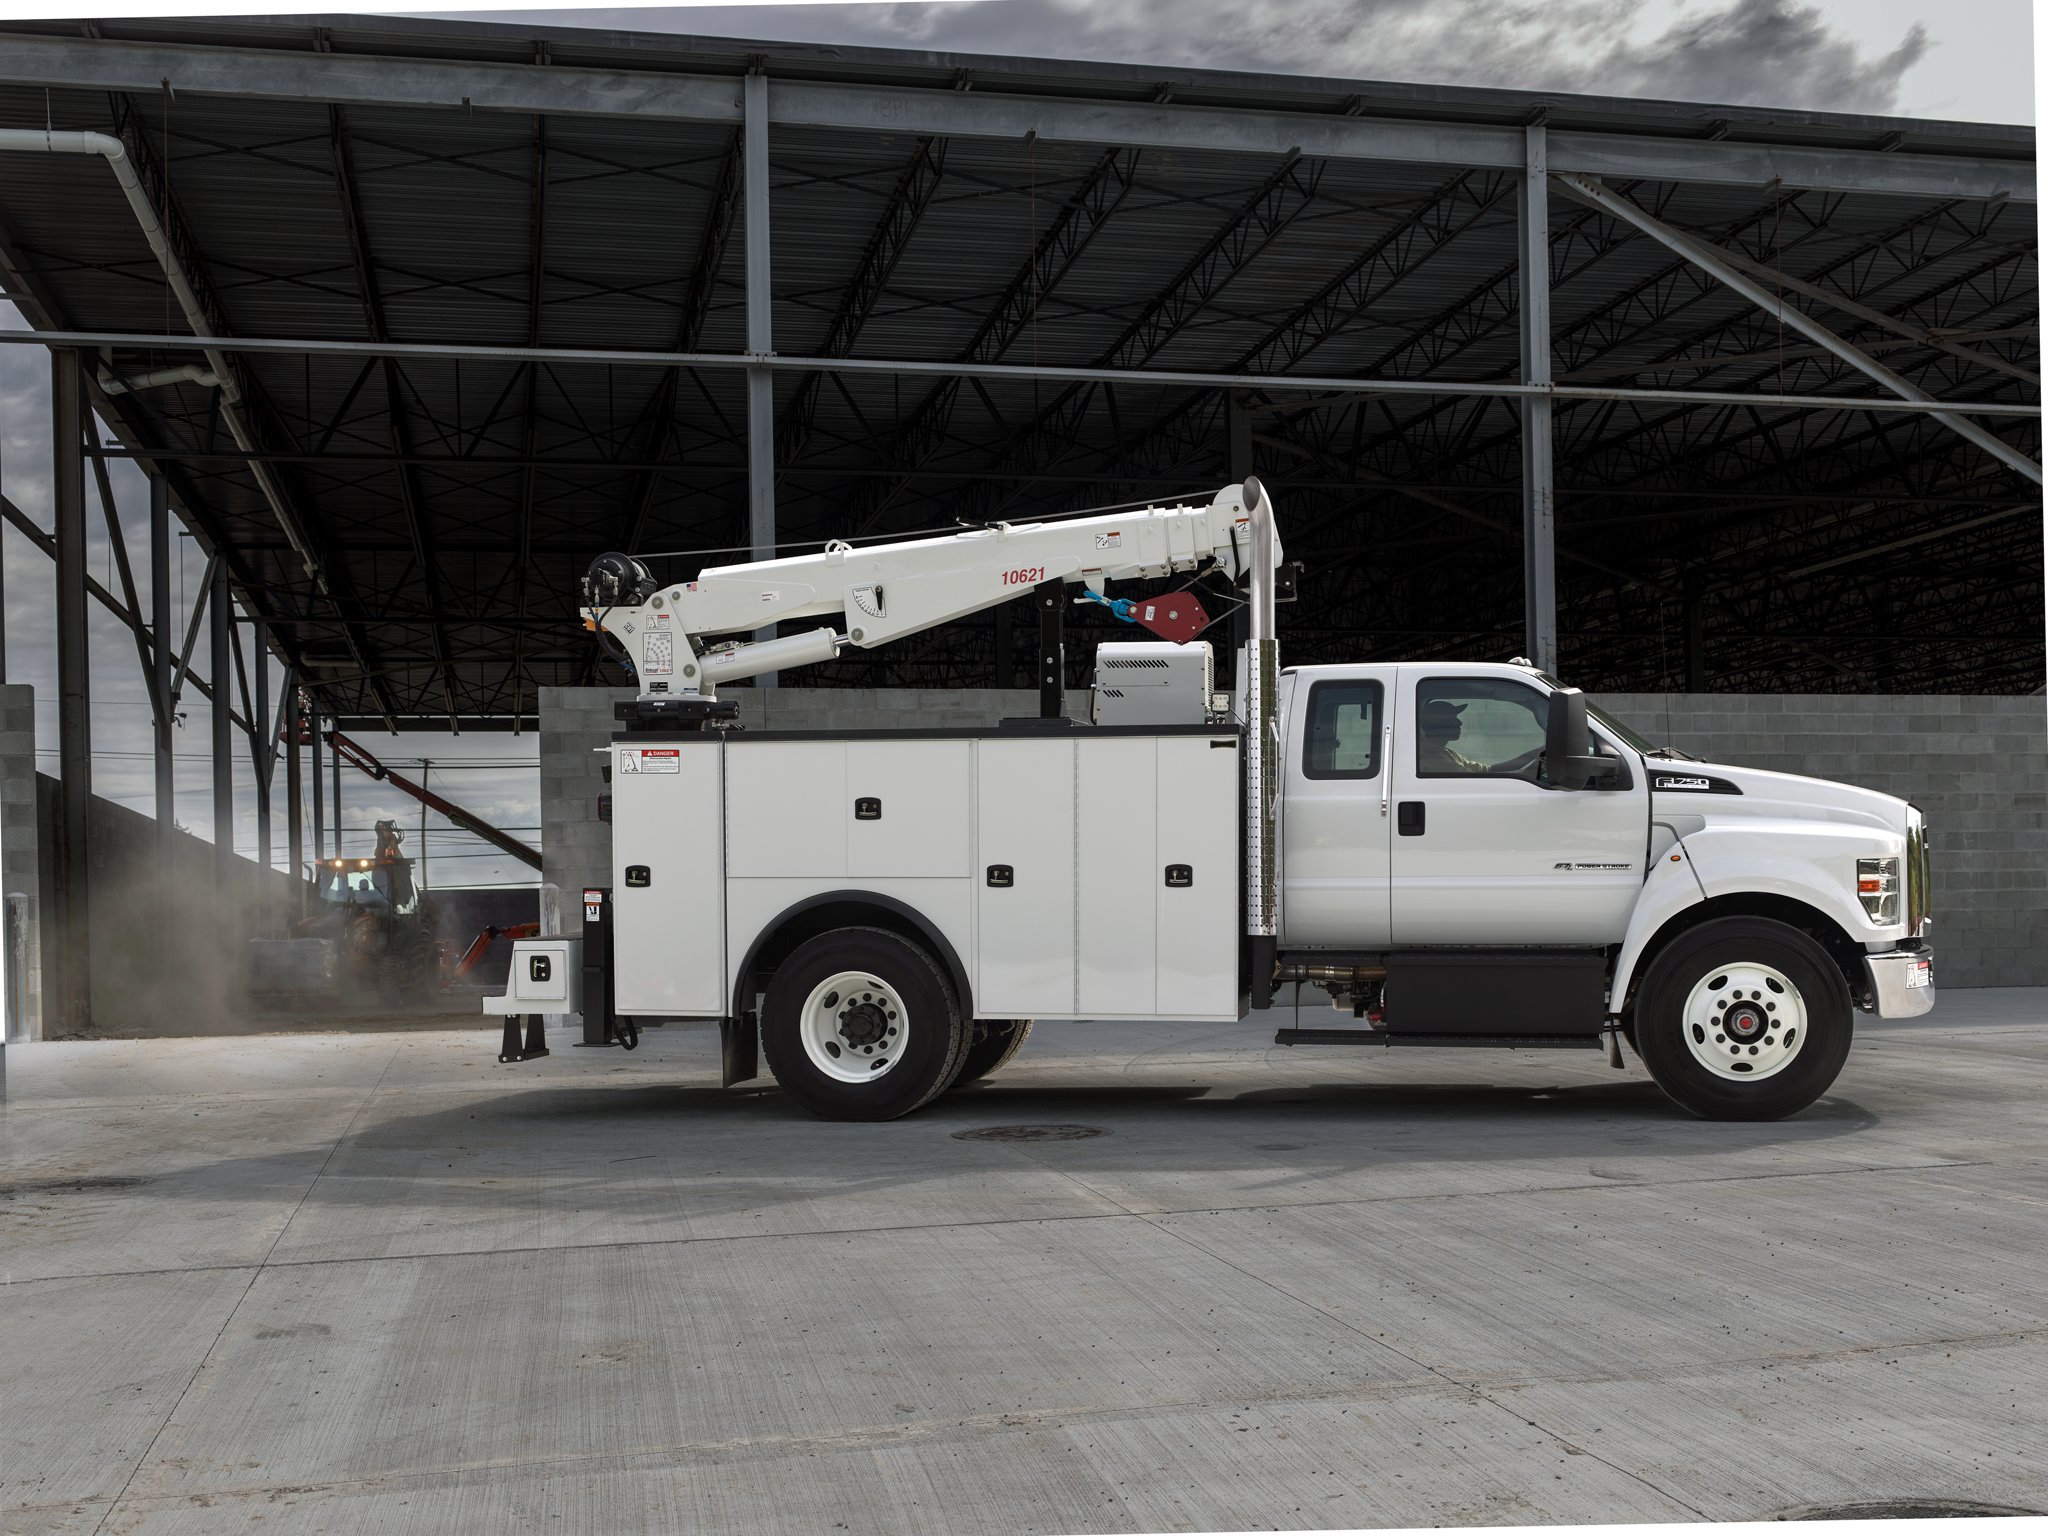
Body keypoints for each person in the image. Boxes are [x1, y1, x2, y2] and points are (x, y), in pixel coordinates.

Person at [1417, 697, 1485, 774]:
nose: (1460, 722)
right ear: (1436, 724)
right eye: (1452, 718)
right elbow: (1467, 777)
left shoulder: (1446, 752)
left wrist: (1496, 768)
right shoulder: (1431, 755)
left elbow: (1481, 770)